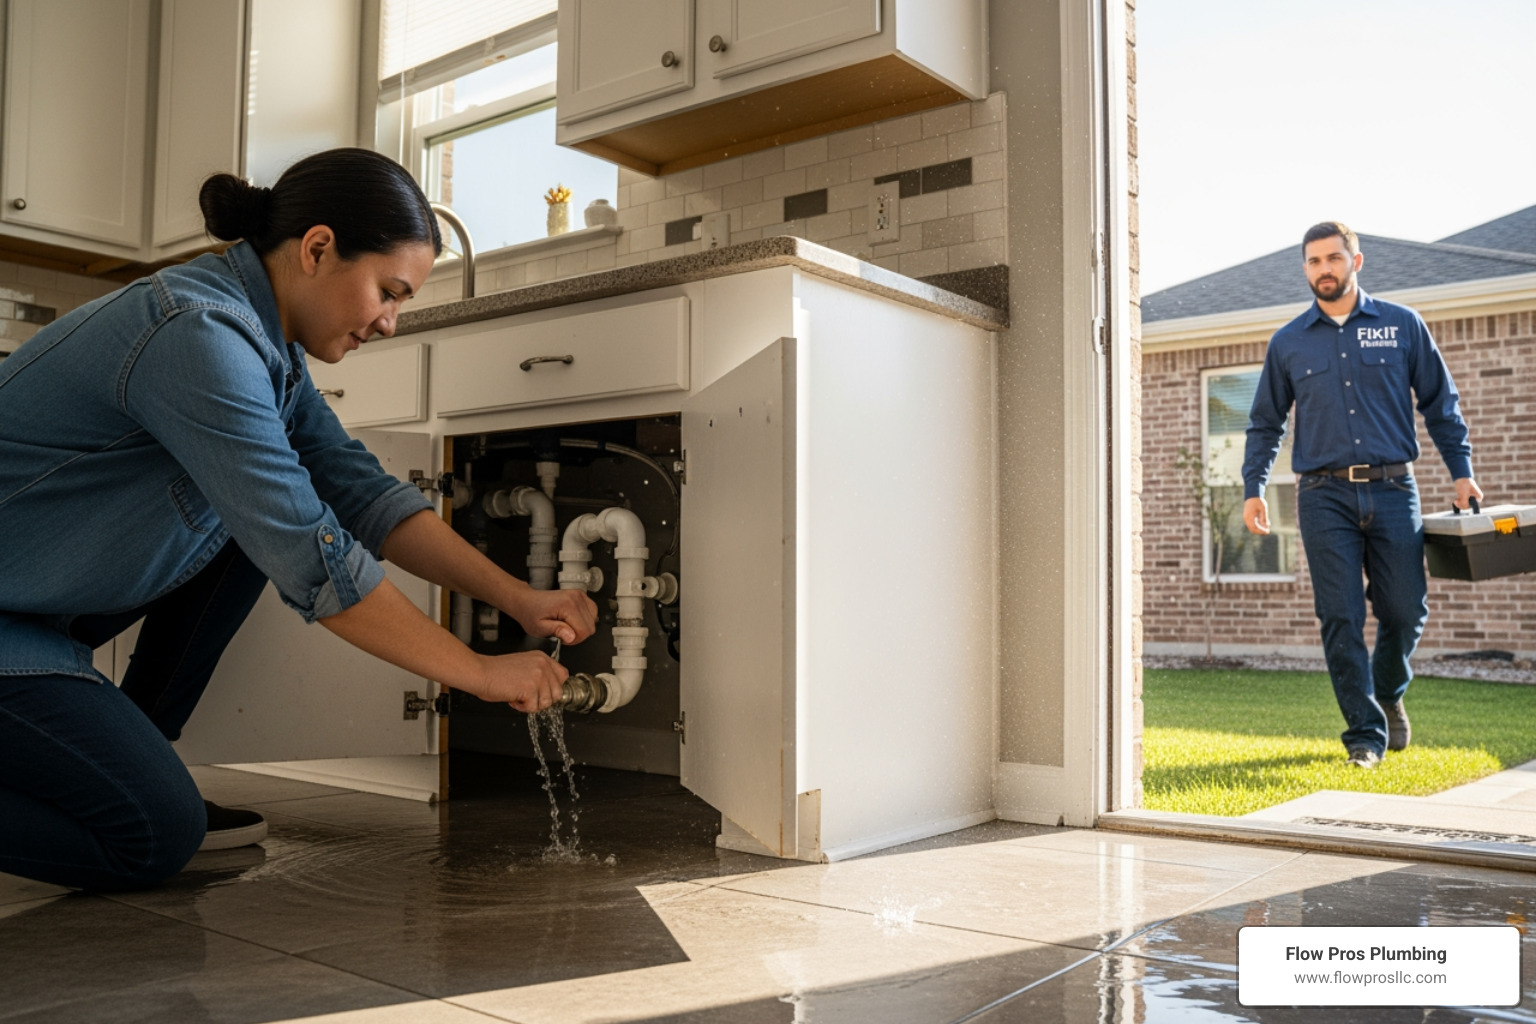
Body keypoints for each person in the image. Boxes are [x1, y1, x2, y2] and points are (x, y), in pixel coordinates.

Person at [0, 149, 597, 891]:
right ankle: (136, 789)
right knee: (153, 834)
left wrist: (518, 598)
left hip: (34, 608)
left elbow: (363, 494)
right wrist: (478, 671)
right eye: (388, 291)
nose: (390, 322)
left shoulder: (266, 345)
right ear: (317, 249)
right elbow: (312, 556)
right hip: (12, 620)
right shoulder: (197, 334)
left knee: (249, 525)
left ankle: (133, 755)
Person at [1242, 221, 1480, 770]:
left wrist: (1461, 471)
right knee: (1340, 616)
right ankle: (1365, 737)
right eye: (1313, 261)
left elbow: (1441, 403)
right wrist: (1254, 487)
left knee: (1405, 609)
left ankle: (1388, 690)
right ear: (1305, 269)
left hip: (1394, 487)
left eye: (1333, 258)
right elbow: (1265, 423)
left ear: (1356, 261)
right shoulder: (1288, 342)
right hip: (1322, 495)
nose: (1323, 269)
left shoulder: (1401, 325)